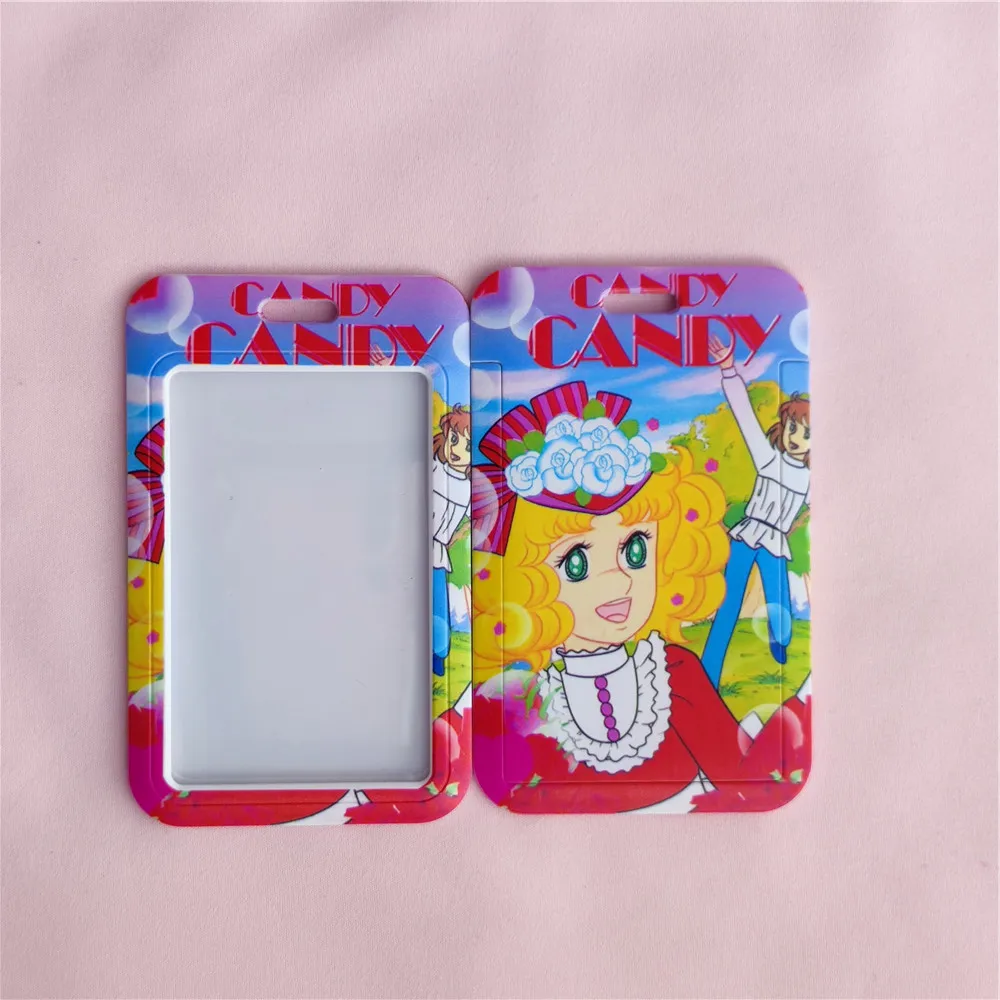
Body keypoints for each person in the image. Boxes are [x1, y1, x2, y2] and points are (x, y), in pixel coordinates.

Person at [470, 381, 810, 813]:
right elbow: (515, 785)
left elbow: (741, 777)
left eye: (635, 551)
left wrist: (798, 706)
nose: (618, 581)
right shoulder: (521, 701)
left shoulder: (676, 674)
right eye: (576, 563)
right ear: (525, 577)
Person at [700, 338, 811, 687]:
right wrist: (728, 370)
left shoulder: (810, 478)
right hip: (748, 535)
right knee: (728, 605)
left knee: (780, 607)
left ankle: (781, 641)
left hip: (775, 543)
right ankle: (708, 673)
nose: (796, 437)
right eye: (792, 428)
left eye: (806, 433)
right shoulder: (768, 460)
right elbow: (746, 417)